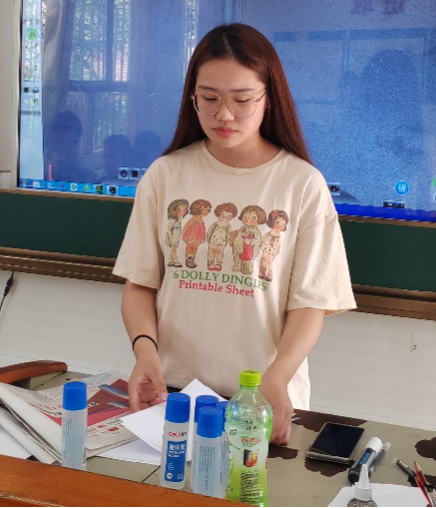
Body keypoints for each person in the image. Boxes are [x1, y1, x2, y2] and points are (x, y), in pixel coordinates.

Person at [114, 23, 356, 445]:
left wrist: (277, 377)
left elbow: (310, 305)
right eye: (209, 99)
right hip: (173, 395)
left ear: (268, 98)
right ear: (192, 98)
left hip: (261, 399)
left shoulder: (301, 184)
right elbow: (140, 284)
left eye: (242, 100)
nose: (224, 115)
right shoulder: (165, 175)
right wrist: (145, 352)